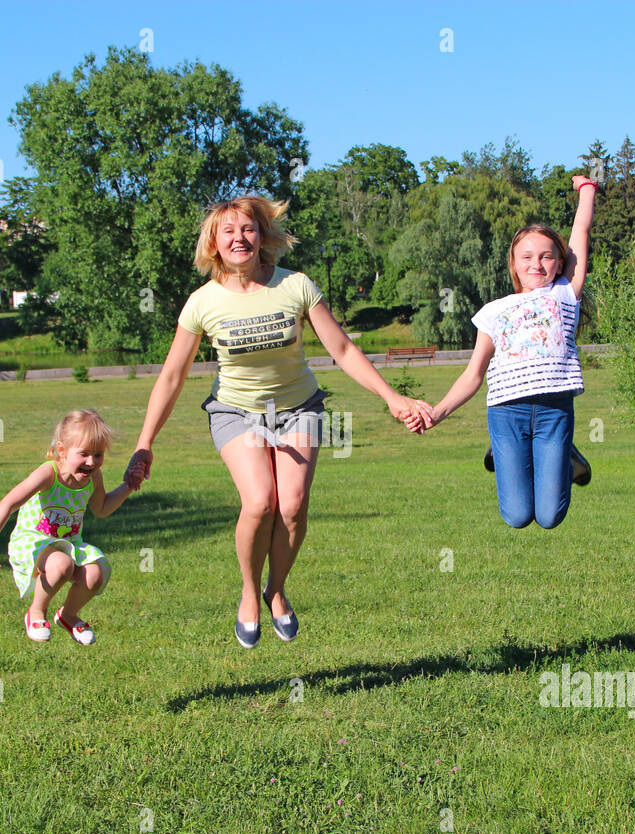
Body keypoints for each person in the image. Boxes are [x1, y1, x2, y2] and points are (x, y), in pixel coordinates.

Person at [124, 195, 431, 648]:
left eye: (247, 228)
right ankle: (249, 593)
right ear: (214, 243)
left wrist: (391, 396)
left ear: (262, 235)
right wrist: (145, 441)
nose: (238, 237)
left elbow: (342, 349)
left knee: (292, 505)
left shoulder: (296, 286)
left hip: (299, 408)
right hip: (235, 411)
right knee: (260, 502)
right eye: (227, 231)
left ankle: (277, 589)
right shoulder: (201, 303)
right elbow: (172, 375)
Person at [426, 176, 598, 529]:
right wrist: (438, 413)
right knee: (517, 516)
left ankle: (569, 457)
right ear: (514, 264)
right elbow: (474, 374)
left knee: (550, 517)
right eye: (527, 257)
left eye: (547, 256)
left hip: (554, 412)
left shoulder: (565, 294)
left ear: (558, 262)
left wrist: (587, 190)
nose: (537, 263)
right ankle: (504, 453)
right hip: (507, 414)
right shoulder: (493, 310)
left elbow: (580, 233)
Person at [0, 409, 133, 644]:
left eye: (98, 455)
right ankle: (36, 612)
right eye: (84, 454)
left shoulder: (94, 477)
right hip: (32, 542)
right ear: (62, 450)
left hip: (68, 543)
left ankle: (68, 616)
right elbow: (8, 504)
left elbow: (102, 508)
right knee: (62, 564)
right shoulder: (49, 473)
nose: (91, 462)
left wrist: (128, 485)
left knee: (95, 574)